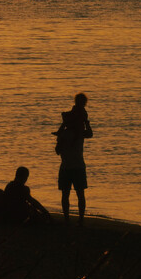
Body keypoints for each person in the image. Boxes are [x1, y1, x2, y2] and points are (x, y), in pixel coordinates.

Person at [55, 92, 93, 226]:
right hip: (78, 167)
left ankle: (66, 218)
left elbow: (57, 151)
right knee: (80, 194)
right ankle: (81, 219)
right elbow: (90, 133)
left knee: (66, 194)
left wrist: (60, 139)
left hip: (66, 167)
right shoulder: (80, 133)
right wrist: (87, 123)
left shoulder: (65, 133)